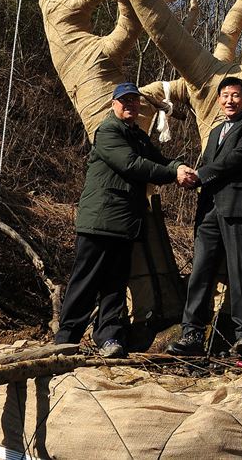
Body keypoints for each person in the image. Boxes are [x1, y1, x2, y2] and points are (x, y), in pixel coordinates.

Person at [55, 82, 197, 357]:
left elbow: (158, 159)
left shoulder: (138, 135)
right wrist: (172, 175)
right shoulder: (108, 131)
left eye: (134, 101)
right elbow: (132, 165)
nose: (129, 105)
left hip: (125, 224)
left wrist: (178, 166)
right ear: (113, 104)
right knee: (86, 280)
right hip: (99, 221)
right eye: (124, 101)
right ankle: (66, 339)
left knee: (116, 284)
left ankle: (109, 337)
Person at [167, 76, 242, 357]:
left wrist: (199, 175)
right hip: (209, 209)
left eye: (235, 95)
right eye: (224, 96)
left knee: (241, 271)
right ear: (219, 100)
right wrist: (190, 177)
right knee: (200, 271)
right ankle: (192, 334)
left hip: (239, 207)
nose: (229, 101)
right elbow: (210, 164)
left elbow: (235, 160)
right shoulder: (214, 132)